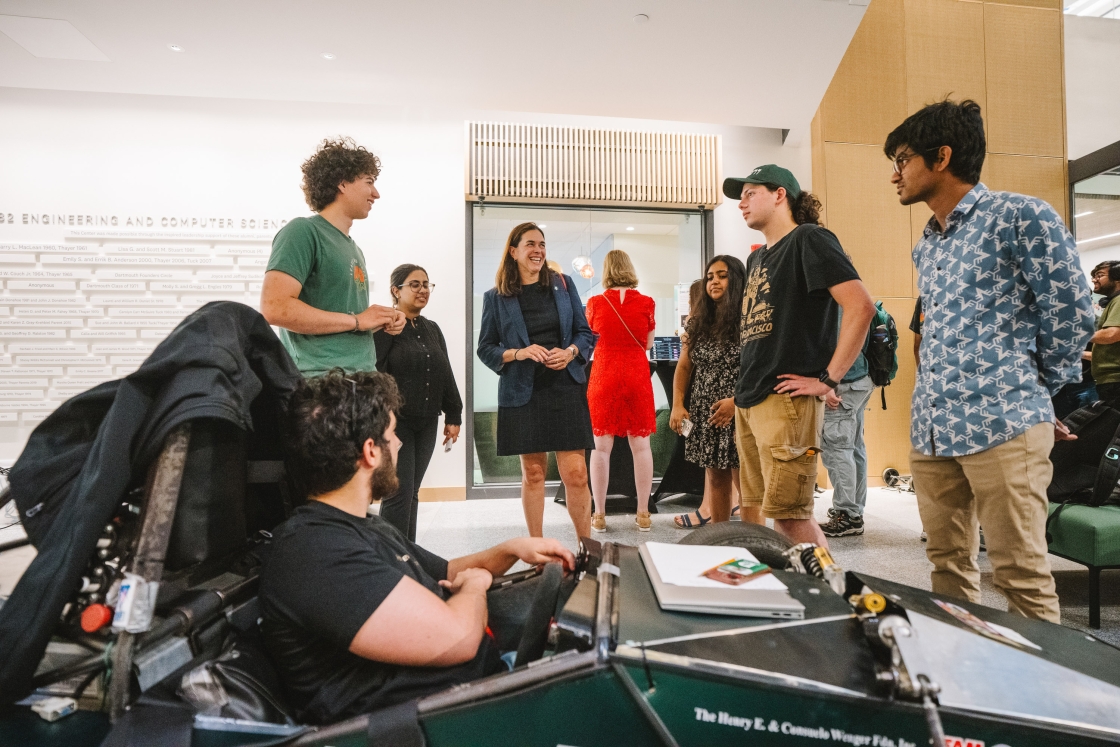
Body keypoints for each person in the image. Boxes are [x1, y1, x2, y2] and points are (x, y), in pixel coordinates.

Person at [259, 371, 574, 724]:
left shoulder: (362, 525)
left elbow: (448, 572)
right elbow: (459, 636)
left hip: (475, 694)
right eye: (392, 436)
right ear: (370, 451)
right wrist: (474, 587)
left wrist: (513, 548)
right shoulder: (314, 551)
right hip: (444, 722)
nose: (399, 444)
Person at [886, 99, 1094, 622]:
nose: (895, 174)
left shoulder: (1020, 216)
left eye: (903, 159)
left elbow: (1071, 314)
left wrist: (1041, 391)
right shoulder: (927, 244)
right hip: (934, 426)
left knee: (1019, 572)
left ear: (942, 157)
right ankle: (968, 686)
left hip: (1004, 421)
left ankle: (1044, 702)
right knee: (947, 567)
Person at [727, 165, 875, 548]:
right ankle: (781, 595)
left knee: (792, 519)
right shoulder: (758, 258)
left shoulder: (810, 239)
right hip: (751, 399)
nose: (741, 202)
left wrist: (828, 379)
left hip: (786, 401)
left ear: (780, 195)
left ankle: (834, 595)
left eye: (750, 193)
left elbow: (861, 307)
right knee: (756, 514)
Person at [477, 222, 596, 539]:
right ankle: (537, 549)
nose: (538, 250)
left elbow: (585, 334)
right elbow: (486, 348)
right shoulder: (496, 298)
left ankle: (587, 547)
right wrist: (518, 353)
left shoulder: (564, 284)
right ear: (514, 251)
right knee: (533, 473)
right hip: (523, 392)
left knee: (577, 474)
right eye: (531, 244)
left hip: (565, 387)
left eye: (542, 244)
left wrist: (570, 352)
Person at [261, 137, 406, 376]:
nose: (376, 193)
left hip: (361, 378)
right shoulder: (302, 232)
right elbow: (275, 308)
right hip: (321, 382)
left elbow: (342, 318)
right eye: (369, 182)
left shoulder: (354, 248)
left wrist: (379, 320)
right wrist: (358, 320)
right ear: (342, 183)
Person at [373, 264, 463, 541]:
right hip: (395, 422)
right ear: (395, 290)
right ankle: (391, 558)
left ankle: (407, 553)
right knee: (398, 492)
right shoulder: (385, 327)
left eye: (426, 284)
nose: (423, 290)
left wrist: (454, 414)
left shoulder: (432, 328)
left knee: (412, 492)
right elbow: (374, 370)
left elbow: (444, 371)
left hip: (427, 420)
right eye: (414, 284)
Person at [670, 256, 760, 526]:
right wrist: (677, 404)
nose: (714, 281)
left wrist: (736, 403)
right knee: (716, 478)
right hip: (706, 409)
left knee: (746, 484)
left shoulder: (750, 319)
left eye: (722, 275)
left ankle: (754, 545)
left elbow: (759, 367)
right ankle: (720, 540)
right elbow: (684, 368)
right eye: (710, 277)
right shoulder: (698, 323)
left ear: (737, 280)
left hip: (740, 409)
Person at [585, 250, 657, 532]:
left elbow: (591, 338)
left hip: (604, 374)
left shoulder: (594, 303)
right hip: (636, 374)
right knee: (640, 447)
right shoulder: (647, 303)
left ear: (606, 271)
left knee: (601, 448)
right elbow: (648, 344)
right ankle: (642, 513)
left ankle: (599, 514)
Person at [818, 314, 873, 537]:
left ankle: (847, 514)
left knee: (837, 449)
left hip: (843, 385)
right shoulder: (851, 300)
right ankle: (855, 512)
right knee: (854, 448)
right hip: (861, 379)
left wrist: (827, 383)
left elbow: (827, 344)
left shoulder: (832, 303)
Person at [1089, 262, 1120, 410]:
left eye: (1100, 275)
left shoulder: (1119, 301)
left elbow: (1112, 334)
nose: (1094, 280)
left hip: (1116, 381)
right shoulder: (1113, 302)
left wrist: (1075, 336)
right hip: (1110, 381)